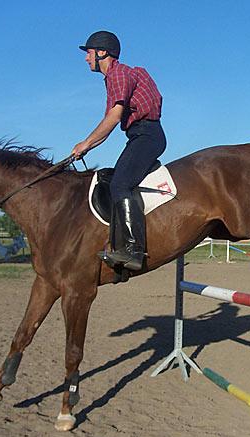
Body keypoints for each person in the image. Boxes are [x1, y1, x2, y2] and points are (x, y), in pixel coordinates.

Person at [72, 31, 165, 271]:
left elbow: (112, 118)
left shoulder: (118, 74)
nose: (86, 59)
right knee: (112, 178)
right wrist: (89, 145)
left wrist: (85, 143)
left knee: (119, 185)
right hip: (140, 135)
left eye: (89, 53)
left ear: (101, 53)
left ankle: (133, 250)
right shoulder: (119, 76)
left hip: (147, 135)